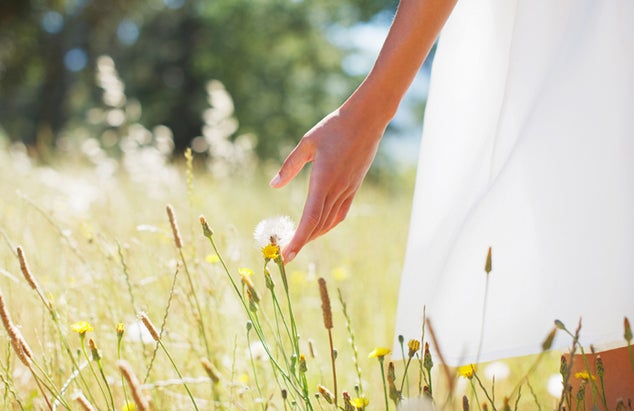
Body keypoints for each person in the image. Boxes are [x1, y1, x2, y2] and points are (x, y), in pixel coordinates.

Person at [271, 0, 634, 405]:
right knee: (611, 330)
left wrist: (367, 113)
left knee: (609, 333)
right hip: (588, 50)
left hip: (590, 51)